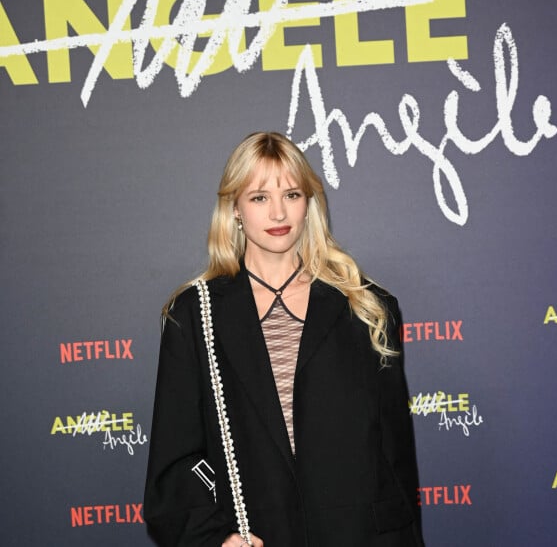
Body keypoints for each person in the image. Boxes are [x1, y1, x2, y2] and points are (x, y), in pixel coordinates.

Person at [144, 132, 423, 547]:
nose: (278, 212)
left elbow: (395, 460)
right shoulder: (194, 315)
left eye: (291, 194)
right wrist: (213, 539)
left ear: (309, 203)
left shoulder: (366, 307)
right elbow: (174, 461)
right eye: (259, 197)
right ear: (234, 208)